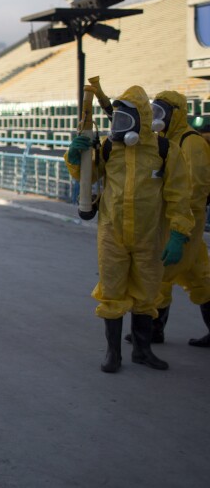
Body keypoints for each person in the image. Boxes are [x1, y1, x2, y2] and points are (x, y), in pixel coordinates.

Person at [65, 85, 193, 373]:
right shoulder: (110, 148)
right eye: (116, 120)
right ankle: (113, 354)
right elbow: (88, 175)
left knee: (147, 292)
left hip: (150, 235)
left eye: (125, 120)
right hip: (112, 233)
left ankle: (142, 350)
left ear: (142, 119)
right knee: (112, 291)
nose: (119, 127)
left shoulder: (164, 150)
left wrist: (178, 233)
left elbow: (179, 195)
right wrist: (74, 157)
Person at [125, 90, 210, 346]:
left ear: (177, 113)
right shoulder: (163, 140)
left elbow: (194, 190)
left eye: (162, 112)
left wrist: (179, 229)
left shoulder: (191, 143)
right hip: (174, 220)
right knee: (200, 276)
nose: (157, 117)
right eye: (155, 111)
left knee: (160, 275)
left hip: (182, 223)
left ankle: (153, 331)